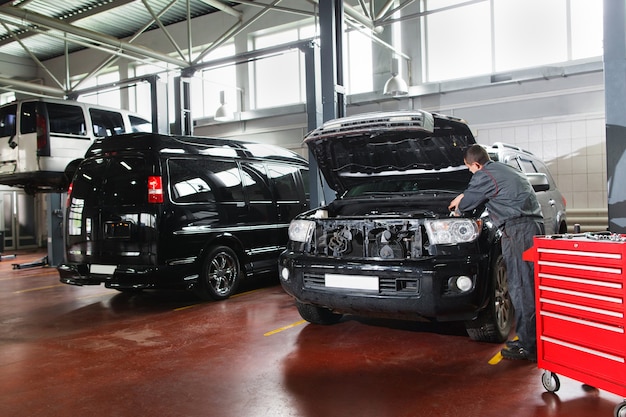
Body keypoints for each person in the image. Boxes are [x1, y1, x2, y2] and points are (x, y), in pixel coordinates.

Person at [448, 144, 544, 361]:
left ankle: (529, 348)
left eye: (470, 169)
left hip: (517, 230)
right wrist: (464, 195)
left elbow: (470, 202)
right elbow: (480, 191)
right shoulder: (502, 170)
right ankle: (533, 338)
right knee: (528, 284)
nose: (471, 173)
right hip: (532, 227)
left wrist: (458, 210)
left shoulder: (484, 174)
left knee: (520, 286)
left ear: (476, 164)